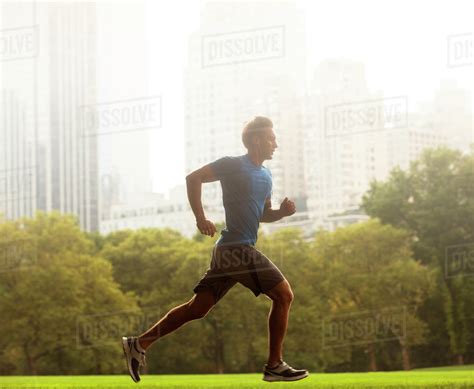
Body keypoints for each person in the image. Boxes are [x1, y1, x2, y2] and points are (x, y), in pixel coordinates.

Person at [122, 116, 308, 382]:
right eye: (271, 139)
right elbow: (193, 178)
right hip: (236, 248)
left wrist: (282, 213)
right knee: (284, 295)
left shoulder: (266, 176)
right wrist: (200, 217)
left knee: (197, 308)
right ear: (256, 140)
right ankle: (274, 364)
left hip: (230, 252)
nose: (275, 144)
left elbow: (263, 214)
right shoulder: (232, 165)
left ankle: (138, 344)